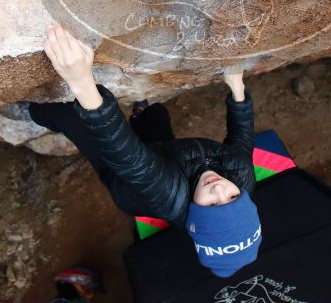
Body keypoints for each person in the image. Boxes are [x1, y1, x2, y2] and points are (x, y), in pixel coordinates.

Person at [27, 22, 262, 278]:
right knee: (153, 117)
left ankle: (30, 110)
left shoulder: (167, 195)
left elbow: (128, 158)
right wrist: (237, 86)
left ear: (195, 213)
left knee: (72, 118)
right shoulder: (241, 176)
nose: (219, 189)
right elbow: (243, 138)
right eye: (232, 198)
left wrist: (81, 80)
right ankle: (141, 114)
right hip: (173, 158)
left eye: (213, 204)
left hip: (127, 180)